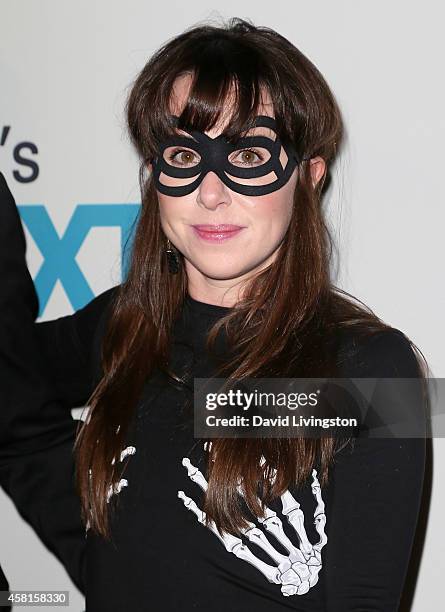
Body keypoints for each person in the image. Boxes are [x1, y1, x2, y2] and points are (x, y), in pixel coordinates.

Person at [1, 17, 427, 612]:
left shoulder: (375, 372)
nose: (210, 191)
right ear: (154, 177)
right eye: (182, 153)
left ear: (310, 176)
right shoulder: (123, 326)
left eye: (248, 153)